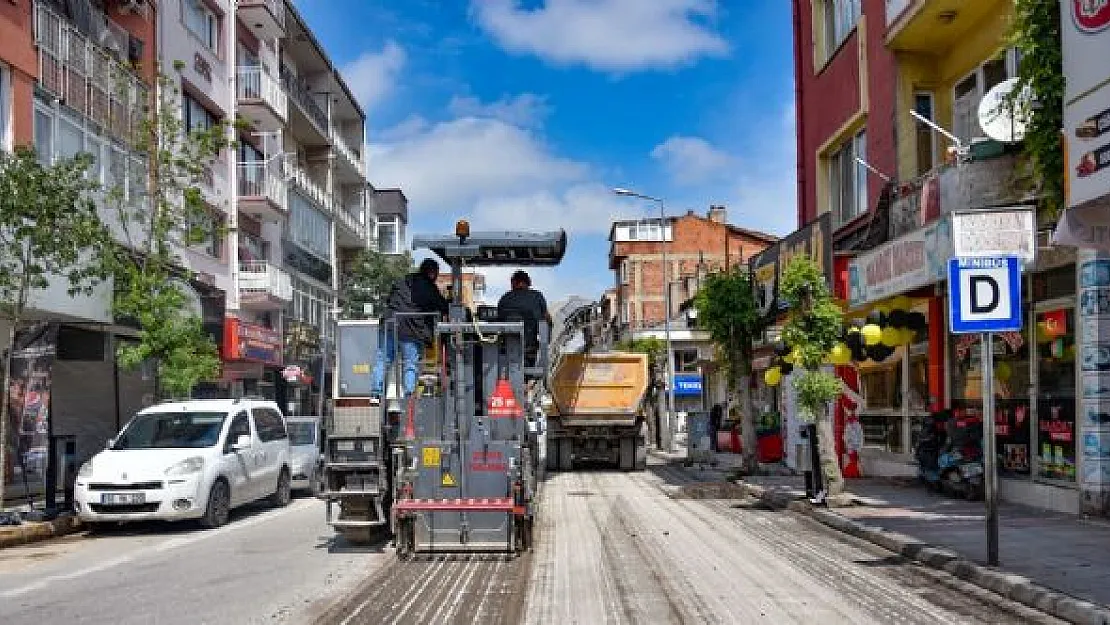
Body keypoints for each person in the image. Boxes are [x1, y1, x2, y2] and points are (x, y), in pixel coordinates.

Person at [370, 259, 449, 402]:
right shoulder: (430, 288)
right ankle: (409, 395)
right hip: (411, 330)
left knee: (383, 359)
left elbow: (389, 300)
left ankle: (375, 393)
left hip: (390, 324)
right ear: (433, 273)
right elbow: (443, 306)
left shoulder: (403, 281)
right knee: (410, 363)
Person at [497, 270, 551, 365]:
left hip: (506, 350)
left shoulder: (504, 298)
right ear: (528, 282)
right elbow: (546, 319)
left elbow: (498, 321)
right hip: (530, 350)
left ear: (513, 282)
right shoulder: (537, 296)